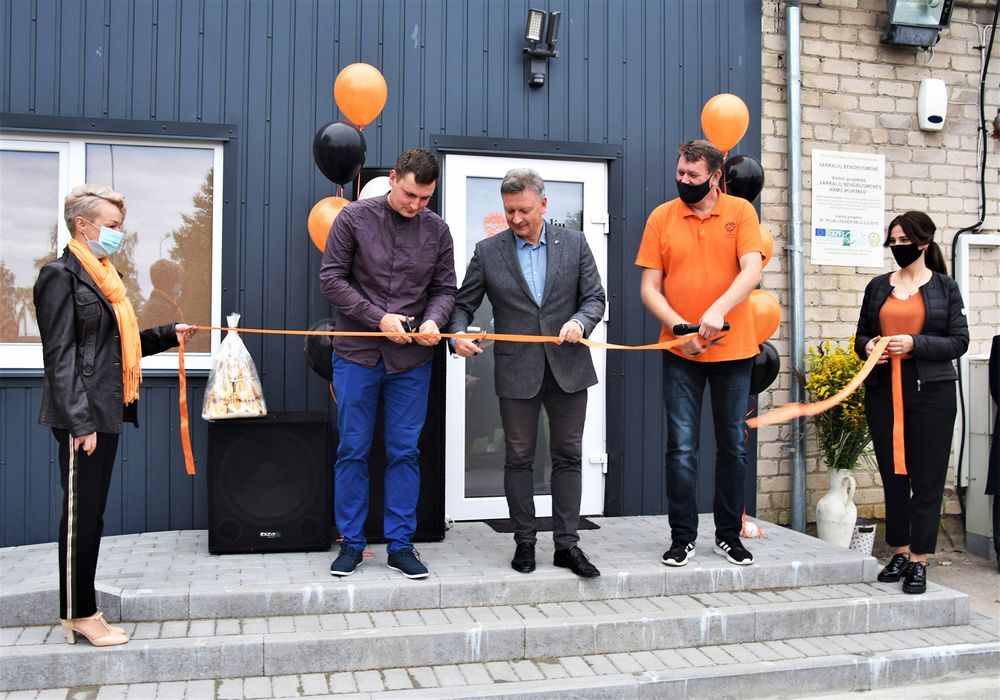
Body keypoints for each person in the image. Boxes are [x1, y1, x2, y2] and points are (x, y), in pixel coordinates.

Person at [34, 184, 196, 647]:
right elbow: (60, 357)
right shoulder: (59, 276)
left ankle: (84, 608)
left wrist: (167, 334)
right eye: (111, 225)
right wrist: (79, 422)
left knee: (93, 516)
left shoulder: (105, 277)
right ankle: (78, 613)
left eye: (120, 226)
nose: (118, 234)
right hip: (82, 417)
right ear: (82, 225)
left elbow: (116, 347)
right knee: (80, 518)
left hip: (106, 410)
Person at [447, 168, 606, 577]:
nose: (516, 218)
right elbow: (462, 306)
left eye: (524, 210)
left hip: (568, 368)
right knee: (518, 458)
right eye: (509, 211)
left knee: (568, 456)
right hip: (516, 371)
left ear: (544, 204)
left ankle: (567, 545)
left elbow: (594, 298)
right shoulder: (488, 251)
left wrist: (580, 322)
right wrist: (457, 336)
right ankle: (525, 542)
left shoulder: (575, 243)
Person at [319, 148, 456, 579]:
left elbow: (445, 290)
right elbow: (331, 279)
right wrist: (377, 318)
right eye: (410, 194)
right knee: (352, 449)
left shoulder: (438, 231)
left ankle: (401, 545)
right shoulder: (353, 218)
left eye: (425, 198)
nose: (416, 205)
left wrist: (434, 320)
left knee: (405, 452)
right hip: (356, 356)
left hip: (411, 361)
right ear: (394, 178)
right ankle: (351, 544)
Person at [635, 140, 764, 568]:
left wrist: (718, 309)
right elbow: (649, 288)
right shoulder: (661, 217)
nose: (684, 180)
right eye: (680, 173)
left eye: (693, 175)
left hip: (735, 351)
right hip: (681, 352)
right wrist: (678, 328)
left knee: (733, 447)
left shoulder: (741, 212)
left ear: (715, 176)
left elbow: (752, 269)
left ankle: (728, 536)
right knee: (681, 448)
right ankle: (682, 538)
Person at [855, 211, 969, 594]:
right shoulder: (877, 287)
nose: (898, 246)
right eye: (893, 240)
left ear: (923, 242)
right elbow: (861, 336)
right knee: (893, 475)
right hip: (884, 391)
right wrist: (869, 346)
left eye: (904, 240)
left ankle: (920, 559)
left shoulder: (945, 288)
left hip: (931, 392)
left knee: (927, 478)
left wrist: (915, 343)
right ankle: (900, 552)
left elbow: (959, 341)